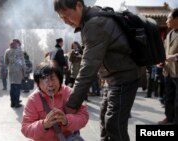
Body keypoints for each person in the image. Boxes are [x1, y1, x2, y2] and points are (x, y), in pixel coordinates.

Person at [54, 1, 140, 141]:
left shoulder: (95, 24)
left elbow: (88, 68)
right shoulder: (91, 19)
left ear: (79, 6)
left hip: (123, 76)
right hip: (113, 78)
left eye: (67, 16)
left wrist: (71, 105)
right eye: (62, 18)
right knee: (105, 119)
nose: (65, 22)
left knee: (114, 125)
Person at [21, 62, 88, 141]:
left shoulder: (70, 93)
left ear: (60, 79)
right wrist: (44, 124)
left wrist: (66, 120)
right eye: (45, 80)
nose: (50, 84)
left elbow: (84, 116)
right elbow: (25, 129)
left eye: (53, 78)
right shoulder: (33, 100)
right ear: (37, 83)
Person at [158, 8, 178, 125]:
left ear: (176, 19)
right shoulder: (170, 33)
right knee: (168, 97)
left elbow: (173, 54)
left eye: (169, 18)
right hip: (168, 71)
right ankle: (168, 117)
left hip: (177, 71)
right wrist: (161, 60)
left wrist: (175, 57)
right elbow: (165, 51)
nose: (166, 21)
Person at [4, 39, 25, 108]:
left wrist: (10, 66)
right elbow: (22, 63)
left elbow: (5, 62)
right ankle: (16, 103)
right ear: (18, 44)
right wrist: (24, 72)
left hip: (11, 70)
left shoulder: (7, 51)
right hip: (18, 71)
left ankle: (12, 103)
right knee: (17, 87)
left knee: (12, 87)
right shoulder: (19, 51)